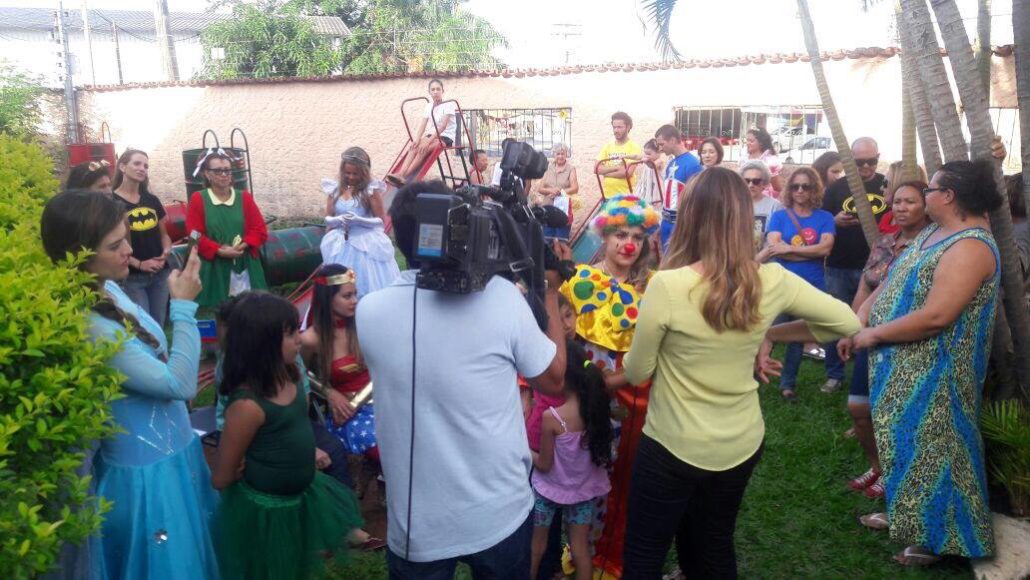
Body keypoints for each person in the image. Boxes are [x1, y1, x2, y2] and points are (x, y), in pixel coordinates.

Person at [620, 167, 860, 579]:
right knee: (712, 546)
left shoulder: (668, 285)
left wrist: (768, 332)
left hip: (672, 443)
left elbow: (638, 370)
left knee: (645, 552)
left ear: (691, 216)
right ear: (744, 218)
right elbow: (847, 322)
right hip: (740, 443)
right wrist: (768, 331)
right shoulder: (772, 279)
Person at [356, 180, 569, 578]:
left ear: (399, 237)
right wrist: (551, 292)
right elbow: (555, 380)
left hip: (417, 526)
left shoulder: (368, 311)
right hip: (500, 513)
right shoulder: (502, 298)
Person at [40, 191, 219, 579]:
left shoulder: (109, 288)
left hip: (173, 456)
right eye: (115, 245)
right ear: (78, 254)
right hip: (147, 480)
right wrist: (184, 307)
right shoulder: (90, 327)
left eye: (126, 238)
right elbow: (180, 383)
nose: (129, 250)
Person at [849, 159, 1002, 566]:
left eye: (930, 189)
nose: (925, 195)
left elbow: (937, 316)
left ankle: (939, 540)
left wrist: (875, 334)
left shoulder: (969, 246)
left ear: (948, 196)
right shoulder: (935, 232)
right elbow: (894, 278)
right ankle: (907, 517)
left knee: (938, 452)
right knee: (904, 445)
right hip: (904, 366)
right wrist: (864, 312)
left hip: (939, 374)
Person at [213, 292, 364, 579]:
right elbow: (221, 477)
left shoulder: (292, 375)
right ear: (263, 342)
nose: (300, 339)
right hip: (267, 513)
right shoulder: (246, 406)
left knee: (295, 564)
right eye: (291, 333)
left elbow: (296, 426)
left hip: (303, 498)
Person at [560, 195, 659, 578]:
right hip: (585, 392)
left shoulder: (654, 286)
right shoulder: (581, 280)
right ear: (605, 236)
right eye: (620, 234)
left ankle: (614, 552)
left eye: (636, 236)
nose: (628, 244)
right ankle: (583, 547)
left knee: (625, 473)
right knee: (585, 465)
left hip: (636, 395)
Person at [836, 181, 931, 502]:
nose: (901, 207)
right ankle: (877, 466)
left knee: (897, 415)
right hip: (870, 337)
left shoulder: (932, 246)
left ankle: (895, 475)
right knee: (859, 408)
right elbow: (866, 287)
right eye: (898, 201)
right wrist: (851, 328)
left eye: (910, 202)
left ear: (927, 206)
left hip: (905, 339)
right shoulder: (884, 243)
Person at [530, 345, 613, 580]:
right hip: (582, 494)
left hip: (548, 492)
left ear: (562, 378)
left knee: (536, 548)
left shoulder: (552, 418)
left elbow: (544, 465)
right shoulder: (596, 413)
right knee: (580, 550)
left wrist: (526, 451)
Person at [820, 137, 887, 394]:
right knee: (835, 319)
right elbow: (820, 221)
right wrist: (834, 221)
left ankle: (866, 377)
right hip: (839, 264)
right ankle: (834, 374)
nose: (867, 167)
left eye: (872, 161)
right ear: (850, 160)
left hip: (876, 267)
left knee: (871, 322)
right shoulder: (837, 188)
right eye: (860, 162)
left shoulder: (886, 184)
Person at [763, 167, 836, 402]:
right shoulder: (780, 216)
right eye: (795, 186)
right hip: (780, 284)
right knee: (765, 331)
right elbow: (774, 247)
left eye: (806, 186)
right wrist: (808, 252)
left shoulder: (824, 217)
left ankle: (788, 384)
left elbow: (825, 249)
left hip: (812, 284)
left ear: (815, 188)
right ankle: (752, 374)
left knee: (796, 335)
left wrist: (790, 249)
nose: (800, 190)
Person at [300, 264, 380, 461]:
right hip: (347, 415)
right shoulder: (310, 339)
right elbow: (300, 374)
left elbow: (385, 368)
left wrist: (355, 402)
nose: (355, 301)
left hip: (382, 399)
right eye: (347, 296)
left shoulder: (365, 324)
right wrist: (329, 392)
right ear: (327, 299)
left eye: (355, 294)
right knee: (382, 448)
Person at [186, 151, 269, 308]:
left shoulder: (244, 197)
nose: (224, 174)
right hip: (215, 266)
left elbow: (259, 229)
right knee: (220, 311)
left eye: (227, 170)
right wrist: (218, 250)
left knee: (251, 310)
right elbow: (194, 235)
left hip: (245, 262)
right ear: (207, 174)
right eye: (218, 170)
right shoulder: (199, 198)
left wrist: (242, 245)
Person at [320, 147, 400, 297]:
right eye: (347, 173)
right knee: (339, 281)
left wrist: (359, 220)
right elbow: (328, 218)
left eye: (355, 174)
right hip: (340, 244)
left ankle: (364, 303)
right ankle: (341, 304)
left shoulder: (370, 190)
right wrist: (336, 220)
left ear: (363, 172)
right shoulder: (334, 189)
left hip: (364, 245)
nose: (350, 177)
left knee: (363, 279)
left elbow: (380, 222)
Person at [112, 149, 173, 327]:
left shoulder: (151, 200)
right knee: (142, 326)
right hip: (133, 277)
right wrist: (139, 263)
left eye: (146, 166)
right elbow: (113, 245)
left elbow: (164, 235)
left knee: (158, 323)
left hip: (160, 273)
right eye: (137, 163)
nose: (142, 168)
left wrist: (166, 252)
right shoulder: (112, 202)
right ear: (123, 167)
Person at [387, 79, 457, 186]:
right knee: (414, 146)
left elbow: (443, 126)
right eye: (433, 89)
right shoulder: (429, 106)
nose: (435, 92)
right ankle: (400, 173)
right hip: (433, 135)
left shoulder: (449, 104)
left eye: (438, 89)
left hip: (446, 136)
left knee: (423, 148)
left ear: (443, 91)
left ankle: (404, 176)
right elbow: (422, 125)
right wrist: (417, 140)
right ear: (429, 92)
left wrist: (427, 142)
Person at [654, 124, 702, 253]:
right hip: (666, 223)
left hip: (680, 224)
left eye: (662, 144)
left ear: (673, 140)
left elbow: (697, 199)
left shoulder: (693, 164)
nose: (660, 148)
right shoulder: (671, 163)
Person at [532, 142, 580, 240]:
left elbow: (575, 188)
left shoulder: (571, 169)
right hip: (548, 209)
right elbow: (540, 189)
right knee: (547, 239)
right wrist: (551, 191)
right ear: (554, 154)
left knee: (561, 240)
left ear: (566, 154)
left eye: (563, 154)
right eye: (558, 154)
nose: (560, 156)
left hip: (563, 210)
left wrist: (560, 192)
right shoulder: (548, 168)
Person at [739, 160, 782, 254]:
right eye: (746, 181)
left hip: (766, 259)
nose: (750, 185)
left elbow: (777, 241)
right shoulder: (733, 204)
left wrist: (758, 259)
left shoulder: (775, 206)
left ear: (764, 183)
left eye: (756, 181)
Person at [595, 112, 642, 196]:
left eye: (619, 127)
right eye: (614, 127)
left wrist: (605, 173)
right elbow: (596, 168)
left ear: (628, 127)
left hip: (625, 197)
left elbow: (627, 172)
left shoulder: (634, 147)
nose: (616, 130)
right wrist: (617, 168)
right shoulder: (607, 146)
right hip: (607, 197)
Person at [878, 161, 929, 235]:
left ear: (898, 184)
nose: (881, 188)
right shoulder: (887, 217)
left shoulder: (922, 224)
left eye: (885, 183)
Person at [743, 128, 782, 197]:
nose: (748, 143)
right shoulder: (744, 158)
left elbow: (777, 188)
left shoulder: (769, 161)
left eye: (751, 141)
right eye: (747, 140)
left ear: (761, 143)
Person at [632, 139, 664, 211]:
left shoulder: (659, 161)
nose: (646, 156)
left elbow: (652, 166)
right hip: (647, 186)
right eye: (645, 153)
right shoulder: (647, 160)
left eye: (649, 154)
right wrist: (625, 156)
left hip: (655, 187)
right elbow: (636, 156)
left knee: (655, 205)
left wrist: (645, 161)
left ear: (658, 153)